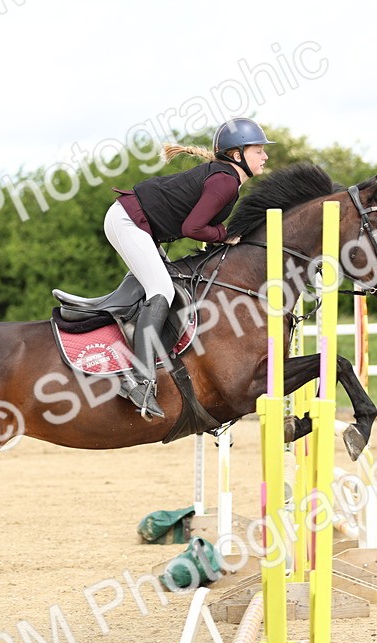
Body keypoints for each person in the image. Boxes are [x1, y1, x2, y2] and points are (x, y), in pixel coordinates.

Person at [105, 117, 274, 419]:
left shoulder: (225, 178)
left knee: (166, 283)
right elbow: (193, 227)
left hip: (133, 222)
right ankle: (139, 380)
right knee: (162, 290)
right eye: (258, 150)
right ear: (237, 155)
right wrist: (226, 235)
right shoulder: (226, 182)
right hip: (128, 222)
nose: (265, 156)